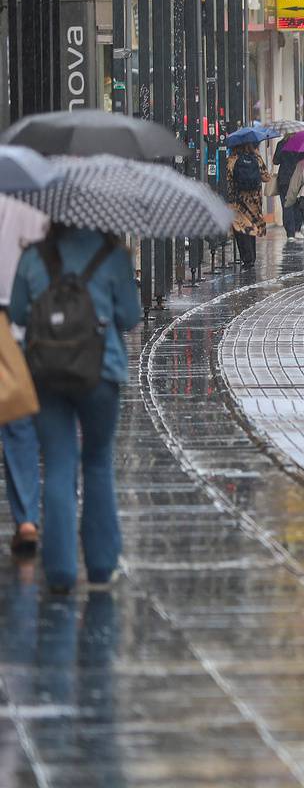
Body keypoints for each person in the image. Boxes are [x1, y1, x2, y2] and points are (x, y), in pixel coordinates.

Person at [11, 226, 140, 595]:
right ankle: (101, 566)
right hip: (102, 372)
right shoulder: (113, 255)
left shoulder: (35, 256)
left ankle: (60, 571)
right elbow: (130, 317)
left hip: (46, 373)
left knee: (57, 463)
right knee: (97, 462)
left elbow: (19, 313)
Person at [0, 196, 48, 556]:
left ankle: (27, 518)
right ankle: (29, 517)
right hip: (49, 323)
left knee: (16, 423)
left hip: (9, 321)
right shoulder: (49, 203)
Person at [228, 144, 268, 266]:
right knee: (252, 228)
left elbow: (228, 179)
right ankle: (252, 257)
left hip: (238, 200)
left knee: (240, 229)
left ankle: (247, 258)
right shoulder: (257, 158)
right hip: (254, 202)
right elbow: (266, 177)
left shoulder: (232, 159)